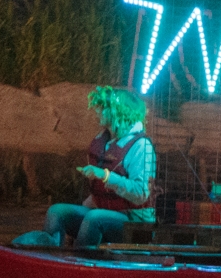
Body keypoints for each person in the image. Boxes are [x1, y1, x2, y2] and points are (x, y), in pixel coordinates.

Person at [35, 87, 157, 246]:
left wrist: (105, 176)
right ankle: (48, 255)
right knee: (57, 212)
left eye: (104, 108)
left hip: (134, 222)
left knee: (94, 218)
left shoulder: (141, 147)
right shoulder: (104, 141)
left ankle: (80, 263)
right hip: (105, 213)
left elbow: (140, 193)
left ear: (119, 112)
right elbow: (100, 196)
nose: (97, 111)